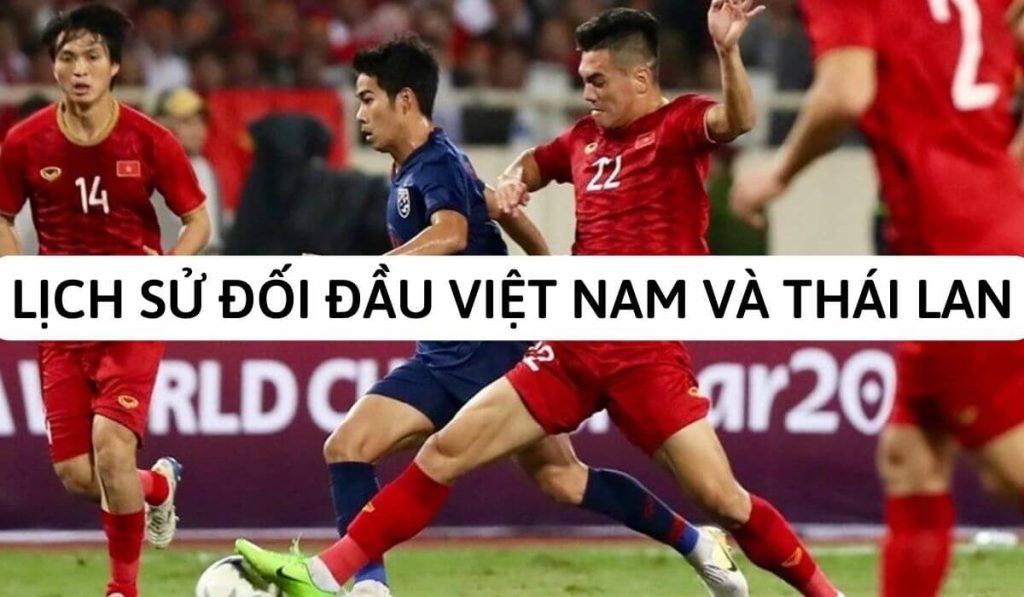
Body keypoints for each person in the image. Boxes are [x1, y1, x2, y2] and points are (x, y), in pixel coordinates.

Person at [239, 6, 843, 597]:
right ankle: (328, 575)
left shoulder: (677, 124)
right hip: (571, 343)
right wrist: (513, 181)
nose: (587, 93)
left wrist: (728, 51)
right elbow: (534, 163)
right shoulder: (583, 140)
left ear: (640, 78)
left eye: (597, 81)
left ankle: (816, 589)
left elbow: (737, 119)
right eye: (583, 80)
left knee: (722, 499)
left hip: (643, 349)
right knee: (446, 452)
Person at [730, 1, 1024, 595]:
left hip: (954, 249)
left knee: (1008, 470)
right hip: (970, 235)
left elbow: (845, 92)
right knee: (910, 456)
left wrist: (778, 174)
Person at [0, 6, 211, 597]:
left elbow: (197, 220)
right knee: (77, 474)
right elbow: (2, 216)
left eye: (92, 56)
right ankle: (157, 487)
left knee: (111, 445)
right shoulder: (24, 142)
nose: (79, 69)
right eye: (67, 57)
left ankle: (122, 588)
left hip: (132, 310)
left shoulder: (150, 139)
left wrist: (171, 267)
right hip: (62, 316)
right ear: (53, 68)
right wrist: (19, 277)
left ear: (114, 66)